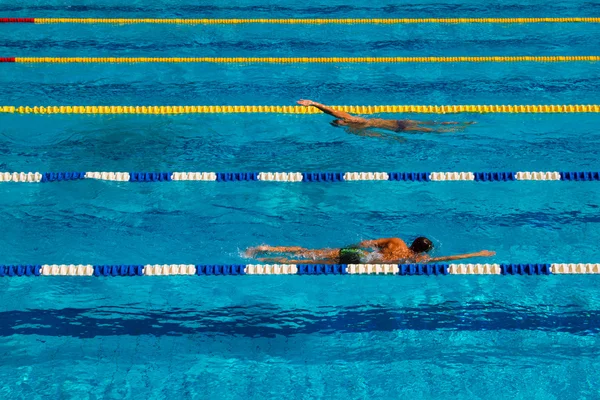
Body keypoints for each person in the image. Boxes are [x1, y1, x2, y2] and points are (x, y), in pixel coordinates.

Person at [245, 237, 495, 264]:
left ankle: (264, 248)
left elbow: (367, 243)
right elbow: (446, 259)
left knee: (308, 251)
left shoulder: (396, 242)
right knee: (306, 264)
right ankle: (274, 260)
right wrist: (477, 255)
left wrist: (352, 246)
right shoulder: (414, 261)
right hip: (365, 263)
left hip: (362, 254)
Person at [297, 99, 474, 134]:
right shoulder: (354, 129)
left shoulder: (353, 122)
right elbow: (377, 135)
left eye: (339, 121)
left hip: (398, 126)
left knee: (431, 128)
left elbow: (333, 111)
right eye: (339, 122)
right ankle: (458, 124)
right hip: (398, 126)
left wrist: (314, 103)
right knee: (430, 126)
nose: (341, 120)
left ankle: (457, 126)